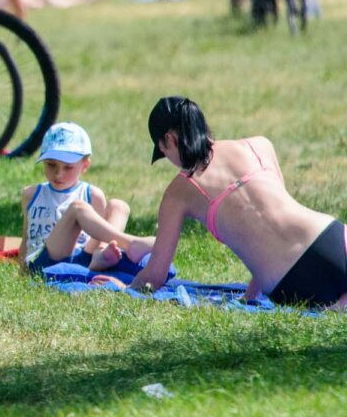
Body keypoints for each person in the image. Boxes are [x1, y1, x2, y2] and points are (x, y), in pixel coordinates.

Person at [110, 97, 347, 311]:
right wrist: (249, 296)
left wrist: (121, 290)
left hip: (292, 279)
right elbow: (273, 229)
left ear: (169, 140)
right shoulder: (259, 145)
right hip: (333, 236)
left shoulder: (179, 192)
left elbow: (155, 275)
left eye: (163, 152)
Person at [18, 122, 155, 277]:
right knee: (78, 208)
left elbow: (101, 232)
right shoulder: (31, 194)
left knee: (119, 206)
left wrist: (99, 249)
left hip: (83, 259)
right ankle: (130, 244)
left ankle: (102, 255)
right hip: (45, 262)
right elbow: (26, 238)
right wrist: (22, 272)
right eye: (51, 165)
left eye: (68, 167)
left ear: (85, 165)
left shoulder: (93, 194)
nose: (58, 174)